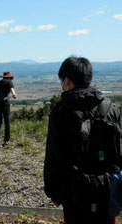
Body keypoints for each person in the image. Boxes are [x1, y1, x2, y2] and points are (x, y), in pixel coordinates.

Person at [44, 57, 121, 223]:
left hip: (73, 188)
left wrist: (53, 192)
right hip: (106, 187)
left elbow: (54, 155)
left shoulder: (61, 111)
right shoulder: (110, 107)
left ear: (68, 81)